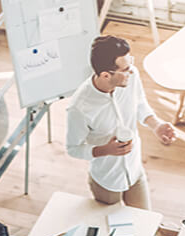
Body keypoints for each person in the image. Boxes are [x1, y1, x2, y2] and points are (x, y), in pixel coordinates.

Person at [66, 35, 176, 210]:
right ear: (105, 75)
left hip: (135, 171)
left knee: (145, 221)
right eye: (124, 69)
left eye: (130, 63)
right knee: (113, 230)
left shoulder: (131, 76)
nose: (131, 71)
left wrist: (157, 125)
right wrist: (105, 150)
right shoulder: (79, 108)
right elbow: (73, 148)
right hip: (106, 181)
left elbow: (140, 104)